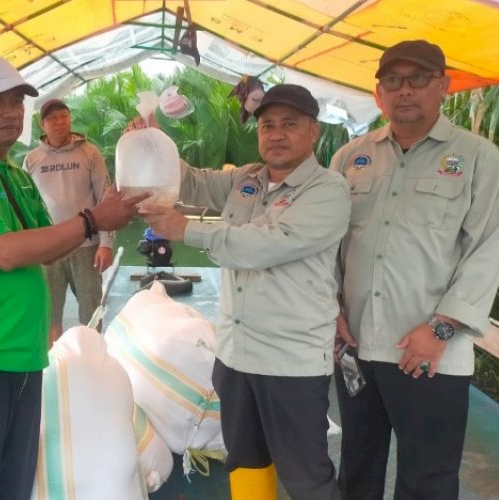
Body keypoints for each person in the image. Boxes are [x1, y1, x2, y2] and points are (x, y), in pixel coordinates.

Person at [0, 56, 147, 500]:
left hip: (24, 355)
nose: (10, 112)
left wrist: (110, 209)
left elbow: (50, 244)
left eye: (17, 103)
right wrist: (91, 220)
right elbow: (4, 253)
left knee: (12, 482)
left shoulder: (16, 175)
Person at [138, 84, 349, 499]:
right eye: (267, 125)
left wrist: (187, 230)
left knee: (305, 472)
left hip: (291, 362)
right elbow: (193, 183)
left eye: (290, 124)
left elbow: (266, 244)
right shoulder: (247, 179)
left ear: (313, 133)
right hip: (234, 355)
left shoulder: (328, 190)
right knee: (245, 458)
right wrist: (153, 141)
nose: (276, 134)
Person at [330, 39, 499, 499]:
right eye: (393, 80)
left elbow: (491, 247)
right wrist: (332, 309)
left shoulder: (479, 159)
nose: (405, 90)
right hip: (357, 346)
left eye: (418, 79)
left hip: (431, 355)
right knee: (357, 468)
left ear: (443, 86)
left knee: (428, 479)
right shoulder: (349, 158)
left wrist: (440, 329)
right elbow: (327, 246)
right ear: (379, 93)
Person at [23, 98, 114, 342]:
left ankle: (92, 359)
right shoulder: (31, 160)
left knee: (91, 311)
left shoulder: (89, 153)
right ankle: (54, 367)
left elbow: (104, 198)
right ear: (43, 125)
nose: (60, 122)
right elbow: (26, 207)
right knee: (49, 313)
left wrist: (106, 244)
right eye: (53, 119)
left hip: (86, 246)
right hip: (48, 248)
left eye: (64, 116)